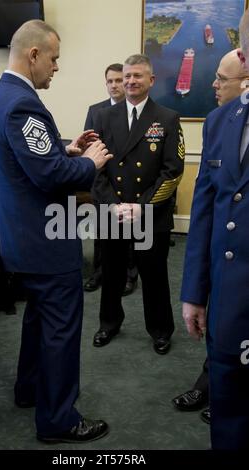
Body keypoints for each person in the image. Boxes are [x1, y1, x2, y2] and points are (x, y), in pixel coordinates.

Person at [0, 20, 112, 443]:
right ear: (34, 55)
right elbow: (51, 176)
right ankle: (59, 421)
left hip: (22, 241)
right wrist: (90, 161)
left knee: (39, 320)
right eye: (53, 58)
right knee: (59, 329)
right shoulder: (23, 103)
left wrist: (66, 149)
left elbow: (33, 161)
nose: (56, 67)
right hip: (45, 243)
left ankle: (29, 389)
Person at [181, 10, 249, 449]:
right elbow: (205, 211)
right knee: (228, 421)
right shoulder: (221, 120)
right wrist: (194, 292)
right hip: (227, 306)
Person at [92, 54, 184, 351]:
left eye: (137, 76)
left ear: (151, 81)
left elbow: (173, 172)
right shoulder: (105, 117)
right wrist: (112, 204)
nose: (130, 81)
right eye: (126, 76)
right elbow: (96, 168)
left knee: (154, 275)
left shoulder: (167, 118)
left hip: (150, 213)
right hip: (113, 211)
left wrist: (141, 206)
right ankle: (109, 323)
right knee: (112, 273)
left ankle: (160, 330)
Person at [84, 63, 138, 296]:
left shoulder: (136, 109)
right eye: (110, 81)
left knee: (129, 233)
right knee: (102, 232)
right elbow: (88, 146)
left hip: (128, 183)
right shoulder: (95, 111)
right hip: (103, 181)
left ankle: (129, 275)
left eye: (118, 80)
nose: (115, 85)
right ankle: (99, 273)